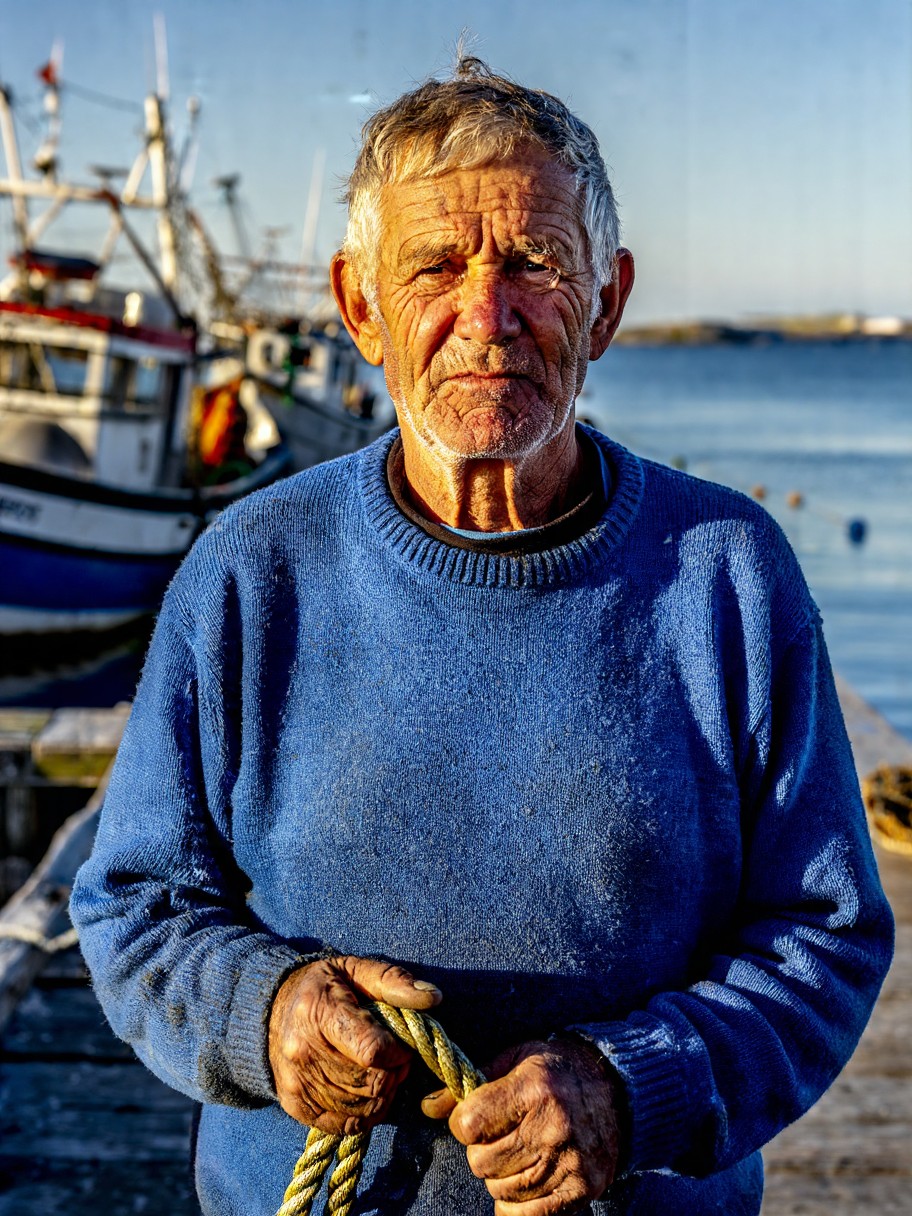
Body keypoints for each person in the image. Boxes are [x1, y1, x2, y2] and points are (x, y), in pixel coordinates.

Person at [71, 57, 894, 1216]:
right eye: (435, 268)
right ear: (361, 308)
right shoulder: (251, 571)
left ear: (606, 301)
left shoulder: (730, 574)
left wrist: (629, 1088)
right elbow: (134, 904)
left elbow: (826, 935)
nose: (486, 317)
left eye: (535, 264)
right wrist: (269, 1012)